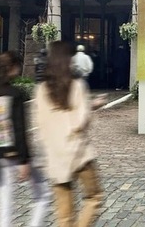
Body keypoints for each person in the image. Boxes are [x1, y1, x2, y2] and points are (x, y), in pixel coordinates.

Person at [0, 51, 51, 227]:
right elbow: (19, 128)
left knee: (5, 204)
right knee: (43, 195)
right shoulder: (15, 93)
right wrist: (24, 159)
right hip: (16, 153)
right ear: (12, 68)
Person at [35, 41, 103, 227]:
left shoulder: (42, 89)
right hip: (78, 152)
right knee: (94, 197)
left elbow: (40, 124)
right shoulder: (76, 85)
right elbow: (80, 120)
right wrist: (92, 106)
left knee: (64, 215)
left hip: (55, 154)